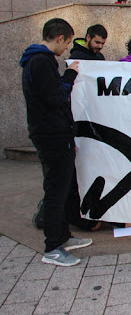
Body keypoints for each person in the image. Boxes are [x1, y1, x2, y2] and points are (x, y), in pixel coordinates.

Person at [19, 18, 93, 266]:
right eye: (68, 42)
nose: (67, 48)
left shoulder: (36, 60)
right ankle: (52, 248)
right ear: (60, 38)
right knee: (56, 190)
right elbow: (57, 96)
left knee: (61, 189)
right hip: (52, 135)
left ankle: (61, 236)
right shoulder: (41, 62)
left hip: (52, 132)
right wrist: (70, 75)